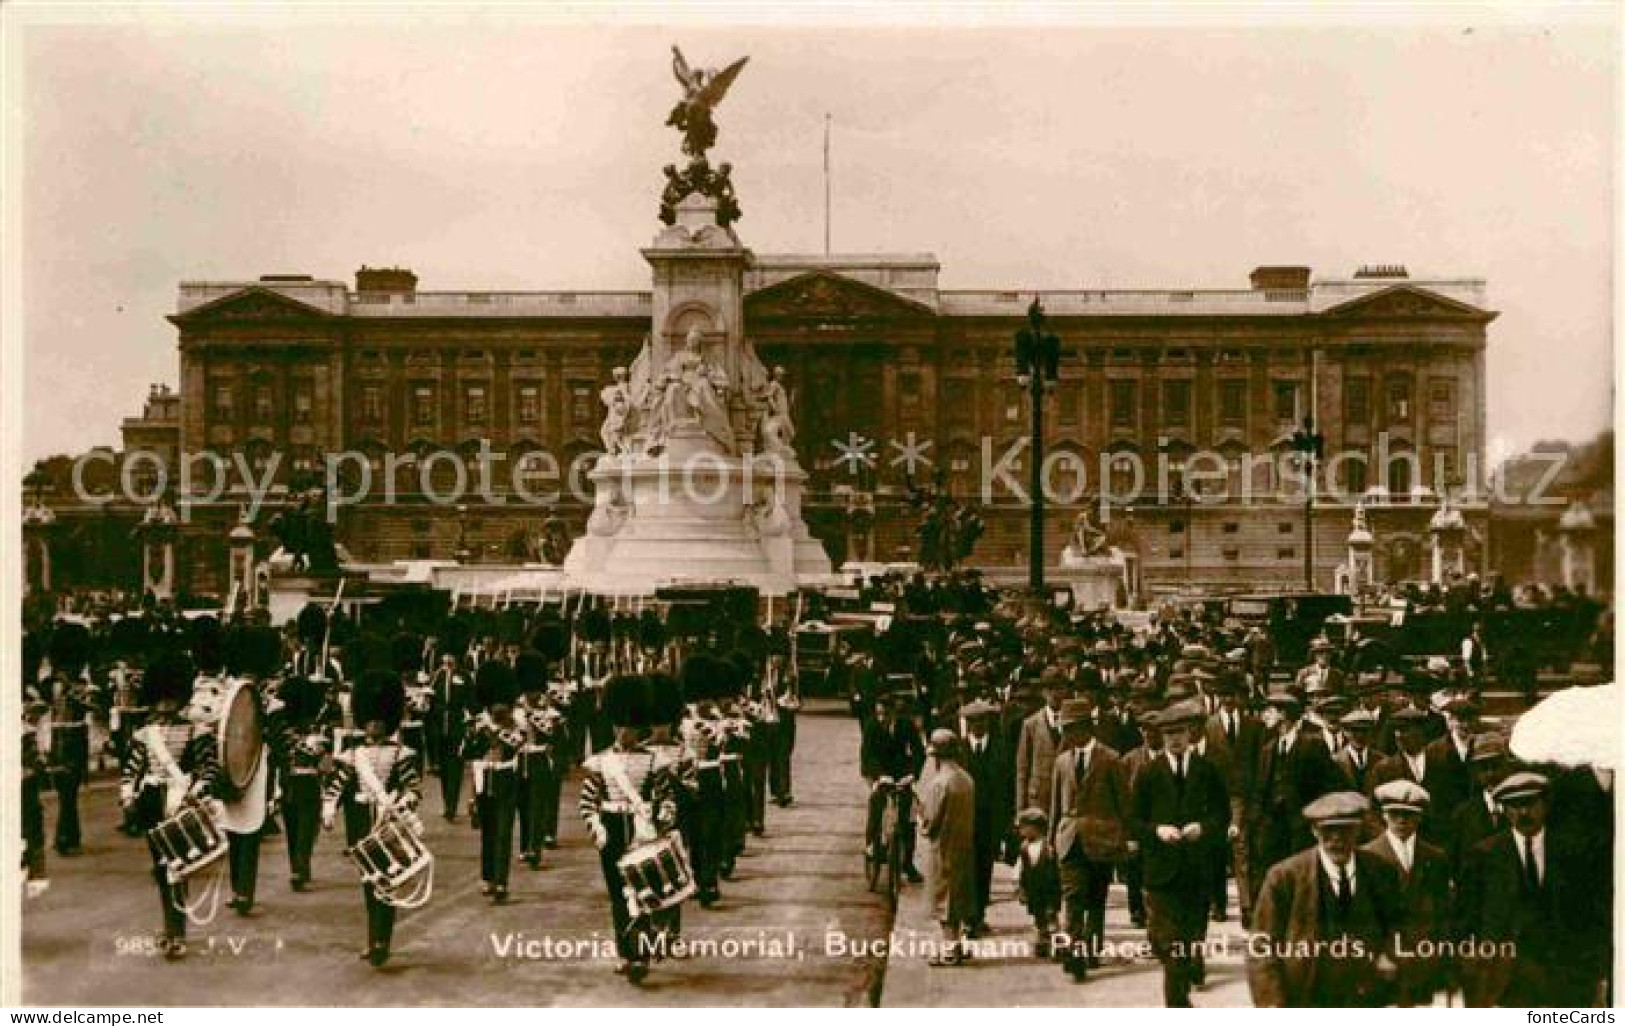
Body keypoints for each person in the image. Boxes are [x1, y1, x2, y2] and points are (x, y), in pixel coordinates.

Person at [1455, 771, 1610, 1007]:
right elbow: (1467, 920)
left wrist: (1598, 973)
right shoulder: (1483, 856)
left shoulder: (1573, 852)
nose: (1523, 813)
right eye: (1514, 805)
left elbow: (1596, 915)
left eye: (1530, 803)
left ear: (1544, 805)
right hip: (1504, 983)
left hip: (1566, 979)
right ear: (1504, 810)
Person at [1248, 791, 1402, 1007]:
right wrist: (1274, 1007)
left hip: (1366, 997)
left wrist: (1390, 958)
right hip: (1306, 997)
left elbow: (1398, 926)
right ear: (1314, 831)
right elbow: (1261, 948)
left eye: (1345, 831)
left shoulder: (1380, 871)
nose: (1336, 840)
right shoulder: (1285, 877)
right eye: (1328, 831)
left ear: (1358, 831)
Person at [119, 649, 221, 961]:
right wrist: (127, 796)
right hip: (152, 805)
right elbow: (132, 769)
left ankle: (176, 932)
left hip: (182, 804)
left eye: (170, 699)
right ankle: (172, 928)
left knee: (178, 869)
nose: (164, 705)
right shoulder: (143, 734)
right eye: (159, 699)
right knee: (164, 870)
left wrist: (199, 789)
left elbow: (209, 767)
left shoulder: (197, 731)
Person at [579, 673, 678, 984]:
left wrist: (661, 817)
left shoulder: (654, 762)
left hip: (642, 829)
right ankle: (627, 952)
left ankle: (640, 953)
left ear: (639, 727)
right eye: (620, 726)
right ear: (613, 725)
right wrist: (596, 826)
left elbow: (666, 798)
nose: (625, 733)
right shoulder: (600, 762)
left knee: (643, 890)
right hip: (612, 828)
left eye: (631, 727)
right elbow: (588, 801)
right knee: (618, 893)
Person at [322, 669, 423, 967]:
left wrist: (402, 804)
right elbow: (336, 787)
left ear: (389, 721)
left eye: (380, 720)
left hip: (387, 825)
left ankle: (382, 940)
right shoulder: (353, 756)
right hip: (360, 824)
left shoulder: (402, 754)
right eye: (371, 719)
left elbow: (413, 789)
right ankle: (373, 937)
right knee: (369, 882)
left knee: (387, 880)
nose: (375, 725)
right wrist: (328, 810)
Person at [1133, 700, 1231, 1007]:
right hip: (1161, 871)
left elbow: (1222, 814)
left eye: (1180, 733)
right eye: (1168, 734)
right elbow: (1133, 820)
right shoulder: (1148, 773)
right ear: (1161, 737)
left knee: (1191, 936)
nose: (1175, 739)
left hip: (1198, 869)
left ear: (1190, 734)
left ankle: (1184, 981)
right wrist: (1157, 831)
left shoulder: (1206, 770)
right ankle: (1176, 1004)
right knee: (1169, 941)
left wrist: (1203, 827)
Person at [1049, 696, 1131, 980]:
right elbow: (1055, 807)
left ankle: (1092, 951)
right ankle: (1074, 951)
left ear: (1085, 728)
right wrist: (1051, 841)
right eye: (1064, 729)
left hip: (1101, 840)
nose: (1066, 734)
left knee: (1096, 898)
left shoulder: (1111, 759)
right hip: (1069, 839)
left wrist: (1125, 840)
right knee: (1072, 898)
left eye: (1070, 728)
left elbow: (1124, 805)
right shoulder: (1061, 762)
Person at [1363, 780, 1452, 1006]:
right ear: (1384, 815)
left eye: (1408, 815)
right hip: (1382, 963)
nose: (1401, 820)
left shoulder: (1436, 857)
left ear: (1420, 817)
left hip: (1424, 962)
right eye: (1394, 814)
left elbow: (1443, 912)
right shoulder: (1366, 856)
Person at [464, 661, 524, 902]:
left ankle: (501, 881)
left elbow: (516, 744)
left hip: (506, 778)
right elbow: (467, 753)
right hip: (483, 778)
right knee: (487, 831)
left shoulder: (517, 723)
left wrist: (496, 730)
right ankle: (488, 877)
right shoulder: (478, 723)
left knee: (503, 831)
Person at [919, 729, 977, 967]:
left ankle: (950, 950)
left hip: (942, 848)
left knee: (945, 904)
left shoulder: (939, 783)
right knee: (960, 897)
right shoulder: (966, 779)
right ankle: (958, 945)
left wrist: (921, 814)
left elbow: (931, 823)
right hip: (963, 846)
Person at [861, 691, 926, 884]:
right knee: (876, 802)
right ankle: (872, 844)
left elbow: (918, 752)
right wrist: (878, 777)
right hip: (880, 773)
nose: (882, 718)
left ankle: (908, 862)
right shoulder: (871, 726)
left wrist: (913, 774)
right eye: (879, 713)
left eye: (885, 714)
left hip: (901, 774)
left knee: (909, 816)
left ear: (894, 713)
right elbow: (867, 755)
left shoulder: (906, 725)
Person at [272, 675, 328, 891]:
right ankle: (299, 867)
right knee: (298, 828)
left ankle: (299, 868)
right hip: (296, 781)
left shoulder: (291, 729)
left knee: (301, 828)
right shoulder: (294, 729)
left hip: (300, 780)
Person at [958, 698, 1009, 935]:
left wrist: (1005, 825)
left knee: (984, 868)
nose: (977, 726)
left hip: (990, 821)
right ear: (967, 724)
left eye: (981, 721)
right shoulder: (958, 749)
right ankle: (968, 916)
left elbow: (1006, 787)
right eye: (972, 722)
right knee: (965, 870)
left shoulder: (1001, 747)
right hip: (963, 820)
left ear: (988, 723)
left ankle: (978, 916)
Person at [515, 650, 565, 867]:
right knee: (524, 806)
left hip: (540, 759)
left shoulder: (550, 708)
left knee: (537, 806)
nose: (531, 694)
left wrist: (531, 713)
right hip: (520, 760)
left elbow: (551, 733)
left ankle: (535, 849)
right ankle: (526, 846)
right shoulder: (515, 707)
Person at [1015, 668, 1067, 816]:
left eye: (1060, 688)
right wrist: (1020, 809)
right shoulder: (1031, 724)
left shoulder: (1072, 723)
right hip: (1039, 798)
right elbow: (1022, 769)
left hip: (1066, 795)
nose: (1055, 694)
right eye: (1050, 689)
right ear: (1043, 692)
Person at [1014, 808, 1061, 956]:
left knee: (1050, 914)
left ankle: (1056, 943)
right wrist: (1019, 886)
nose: (1021, 831)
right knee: (1038, 917)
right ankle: (1041, 942)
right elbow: (1020, 868)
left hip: (1049, 889)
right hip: (1033, 889)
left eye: (1024, 827)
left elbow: (1055, 869)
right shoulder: (1024, 847)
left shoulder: (1048, 847)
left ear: (1035, 828)